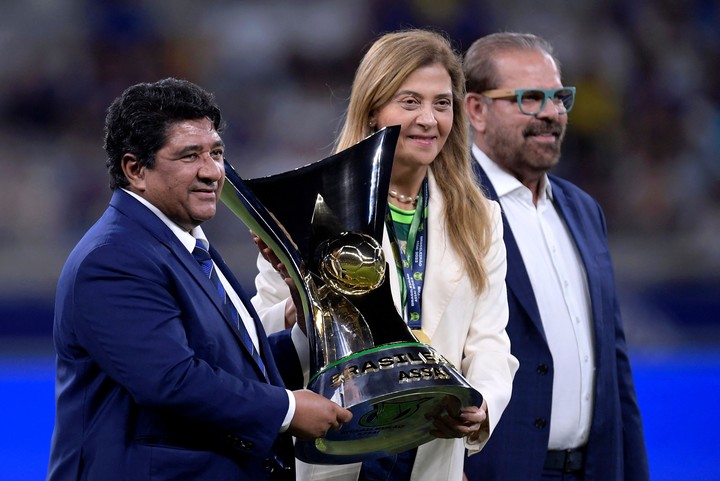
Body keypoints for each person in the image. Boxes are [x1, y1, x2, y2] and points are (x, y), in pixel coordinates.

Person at [47, 78, 352, 481]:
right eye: (189, 156)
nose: (212, 172)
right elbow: (171, 381)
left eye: (217, 153)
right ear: (135, 169)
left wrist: (301, 333)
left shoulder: (185, 243)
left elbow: (229, 368)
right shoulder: (113, 258)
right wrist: (288, 410)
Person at [251, 29, 519, 481]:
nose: (429, 120)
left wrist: (485, 401)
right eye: (409, 102)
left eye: (442, 103)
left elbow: (490, 338)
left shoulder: (482, 218)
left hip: (435, 444)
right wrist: (300, 311)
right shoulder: (312, 206)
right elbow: (257, 335)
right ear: (373, 111)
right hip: (340, 447)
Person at [462, 32, 649, 480]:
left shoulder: (584, 210)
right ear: (476, 110)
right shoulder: (449, 208)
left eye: (559, 97)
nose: (551, 113)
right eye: (529, 98)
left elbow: (614, 364)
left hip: (595, 468)